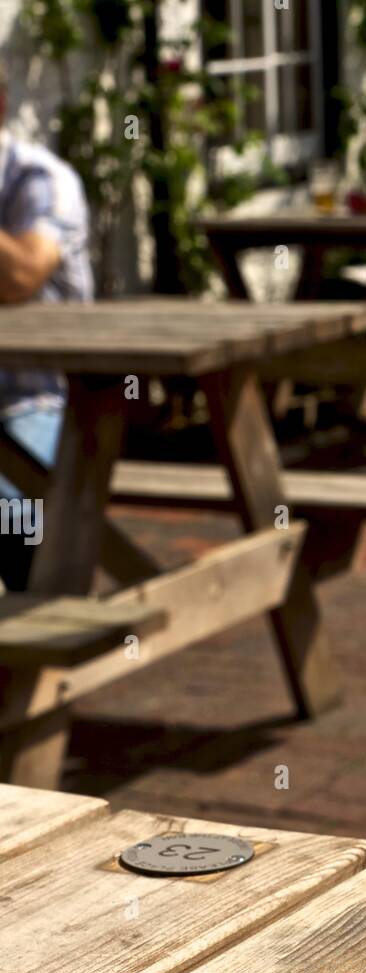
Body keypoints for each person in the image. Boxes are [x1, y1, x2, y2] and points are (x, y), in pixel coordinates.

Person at [0, 59, 93, 591]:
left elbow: (24, 273)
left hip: (44, 403)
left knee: (11, 510)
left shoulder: (43, 179)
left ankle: (37, 630)